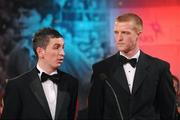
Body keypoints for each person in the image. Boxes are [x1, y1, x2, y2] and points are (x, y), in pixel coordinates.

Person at [88, 13, 176, 120]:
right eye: (116, 32)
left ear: (138, 35)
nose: (119, 38)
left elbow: (168, 111)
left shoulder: (159, 68)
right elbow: (95, 112)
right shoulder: (101, 69)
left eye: (125, 33)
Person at [1, 28, 78, 119]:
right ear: (40, 52)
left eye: (63, 48)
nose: (62, 53)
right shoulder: (16, 86)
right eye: (56, 47)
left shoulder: (71, 83)